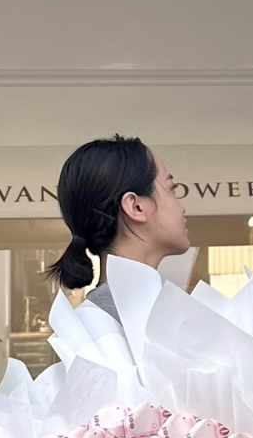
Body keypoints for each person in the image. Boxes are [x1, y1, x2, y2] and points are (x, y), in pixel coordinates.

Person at [51, 135, 193, 319]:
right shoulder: (126, 320)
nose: (182, 207)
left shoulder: (99, 318)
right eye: (172, 188)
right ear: (136, 206)